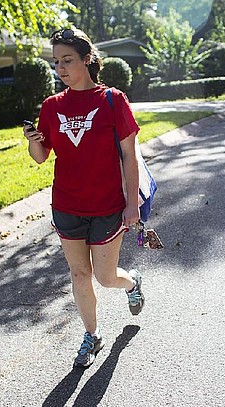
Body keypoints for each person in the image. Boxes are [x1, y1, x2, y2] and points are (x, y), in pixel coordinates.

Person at [23, 27, 145, 368]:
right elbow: (40, 156)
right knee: (79, 275)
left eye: (67, 60)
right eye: (56, 62)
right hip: (66, 204)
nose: (60, 68)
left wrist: (132, 205)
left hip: (107, 205)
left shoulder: (112, 100)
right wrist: (34, 139)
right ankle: (92, 335)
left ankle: (132, 281)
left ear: (87, 60)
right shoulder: (50, 106)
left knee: (106, 278)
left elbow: (129, 156)